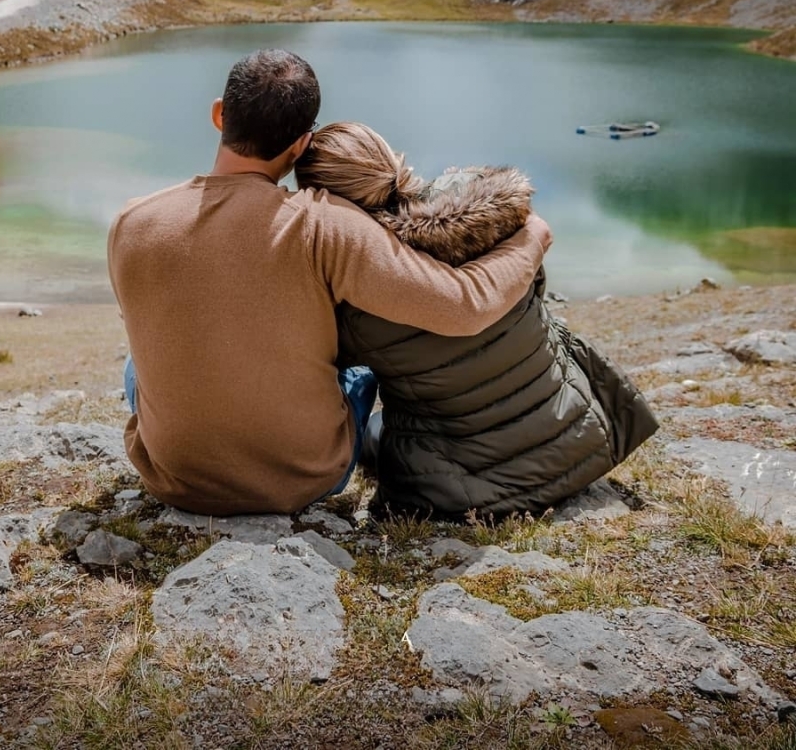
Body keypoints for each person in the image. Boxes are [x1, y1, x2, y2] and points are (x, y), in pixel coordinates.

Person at [107, 49, 552, 516]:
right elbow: (464, 306)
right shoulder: (322, 223)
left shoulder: (132, 221)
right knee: (356, 371)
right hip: (303, 478)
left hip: (172, 479)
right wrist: (532, 239)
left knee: (137, 366)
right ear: (302, 144)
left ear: (220, 114)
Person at [294, 121, 658, 518]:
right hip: (579, 439)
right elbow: (536, 290)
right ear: (386, 157)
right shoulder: (490, 214)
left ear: (321, 199)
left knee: (366, 422)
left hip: (460, 488)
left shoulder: (353, 286)